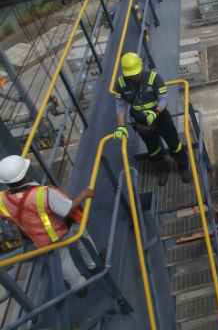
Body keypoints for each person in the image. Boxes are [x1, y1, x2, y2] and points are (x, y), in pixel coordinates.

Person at [0, 155, 97, 296]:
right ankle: (93, 264)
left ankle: (78, 286)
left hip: (42, 240)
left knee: (63, 262)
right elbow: (67, 210)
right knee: (82, 236)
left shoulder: (2, 200)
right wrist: (84, 194)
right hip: (63, 231)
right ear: (26, 176)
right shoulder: (43, 193)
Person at [113, 52, 192, 186]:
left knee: (175, 144)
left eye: (135, 74)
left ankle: (183, 168)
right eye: (130, 75)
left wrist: (156, 112)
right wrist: (121, 126)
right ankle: (163, 170)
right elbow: (120, 105)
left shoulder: (154, 78)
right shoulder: (121, 84)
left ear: (141, 67)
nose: (133, 77)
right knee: (153, 149)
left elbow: (163, 98)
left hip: (161, 118)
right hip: (142, 123)